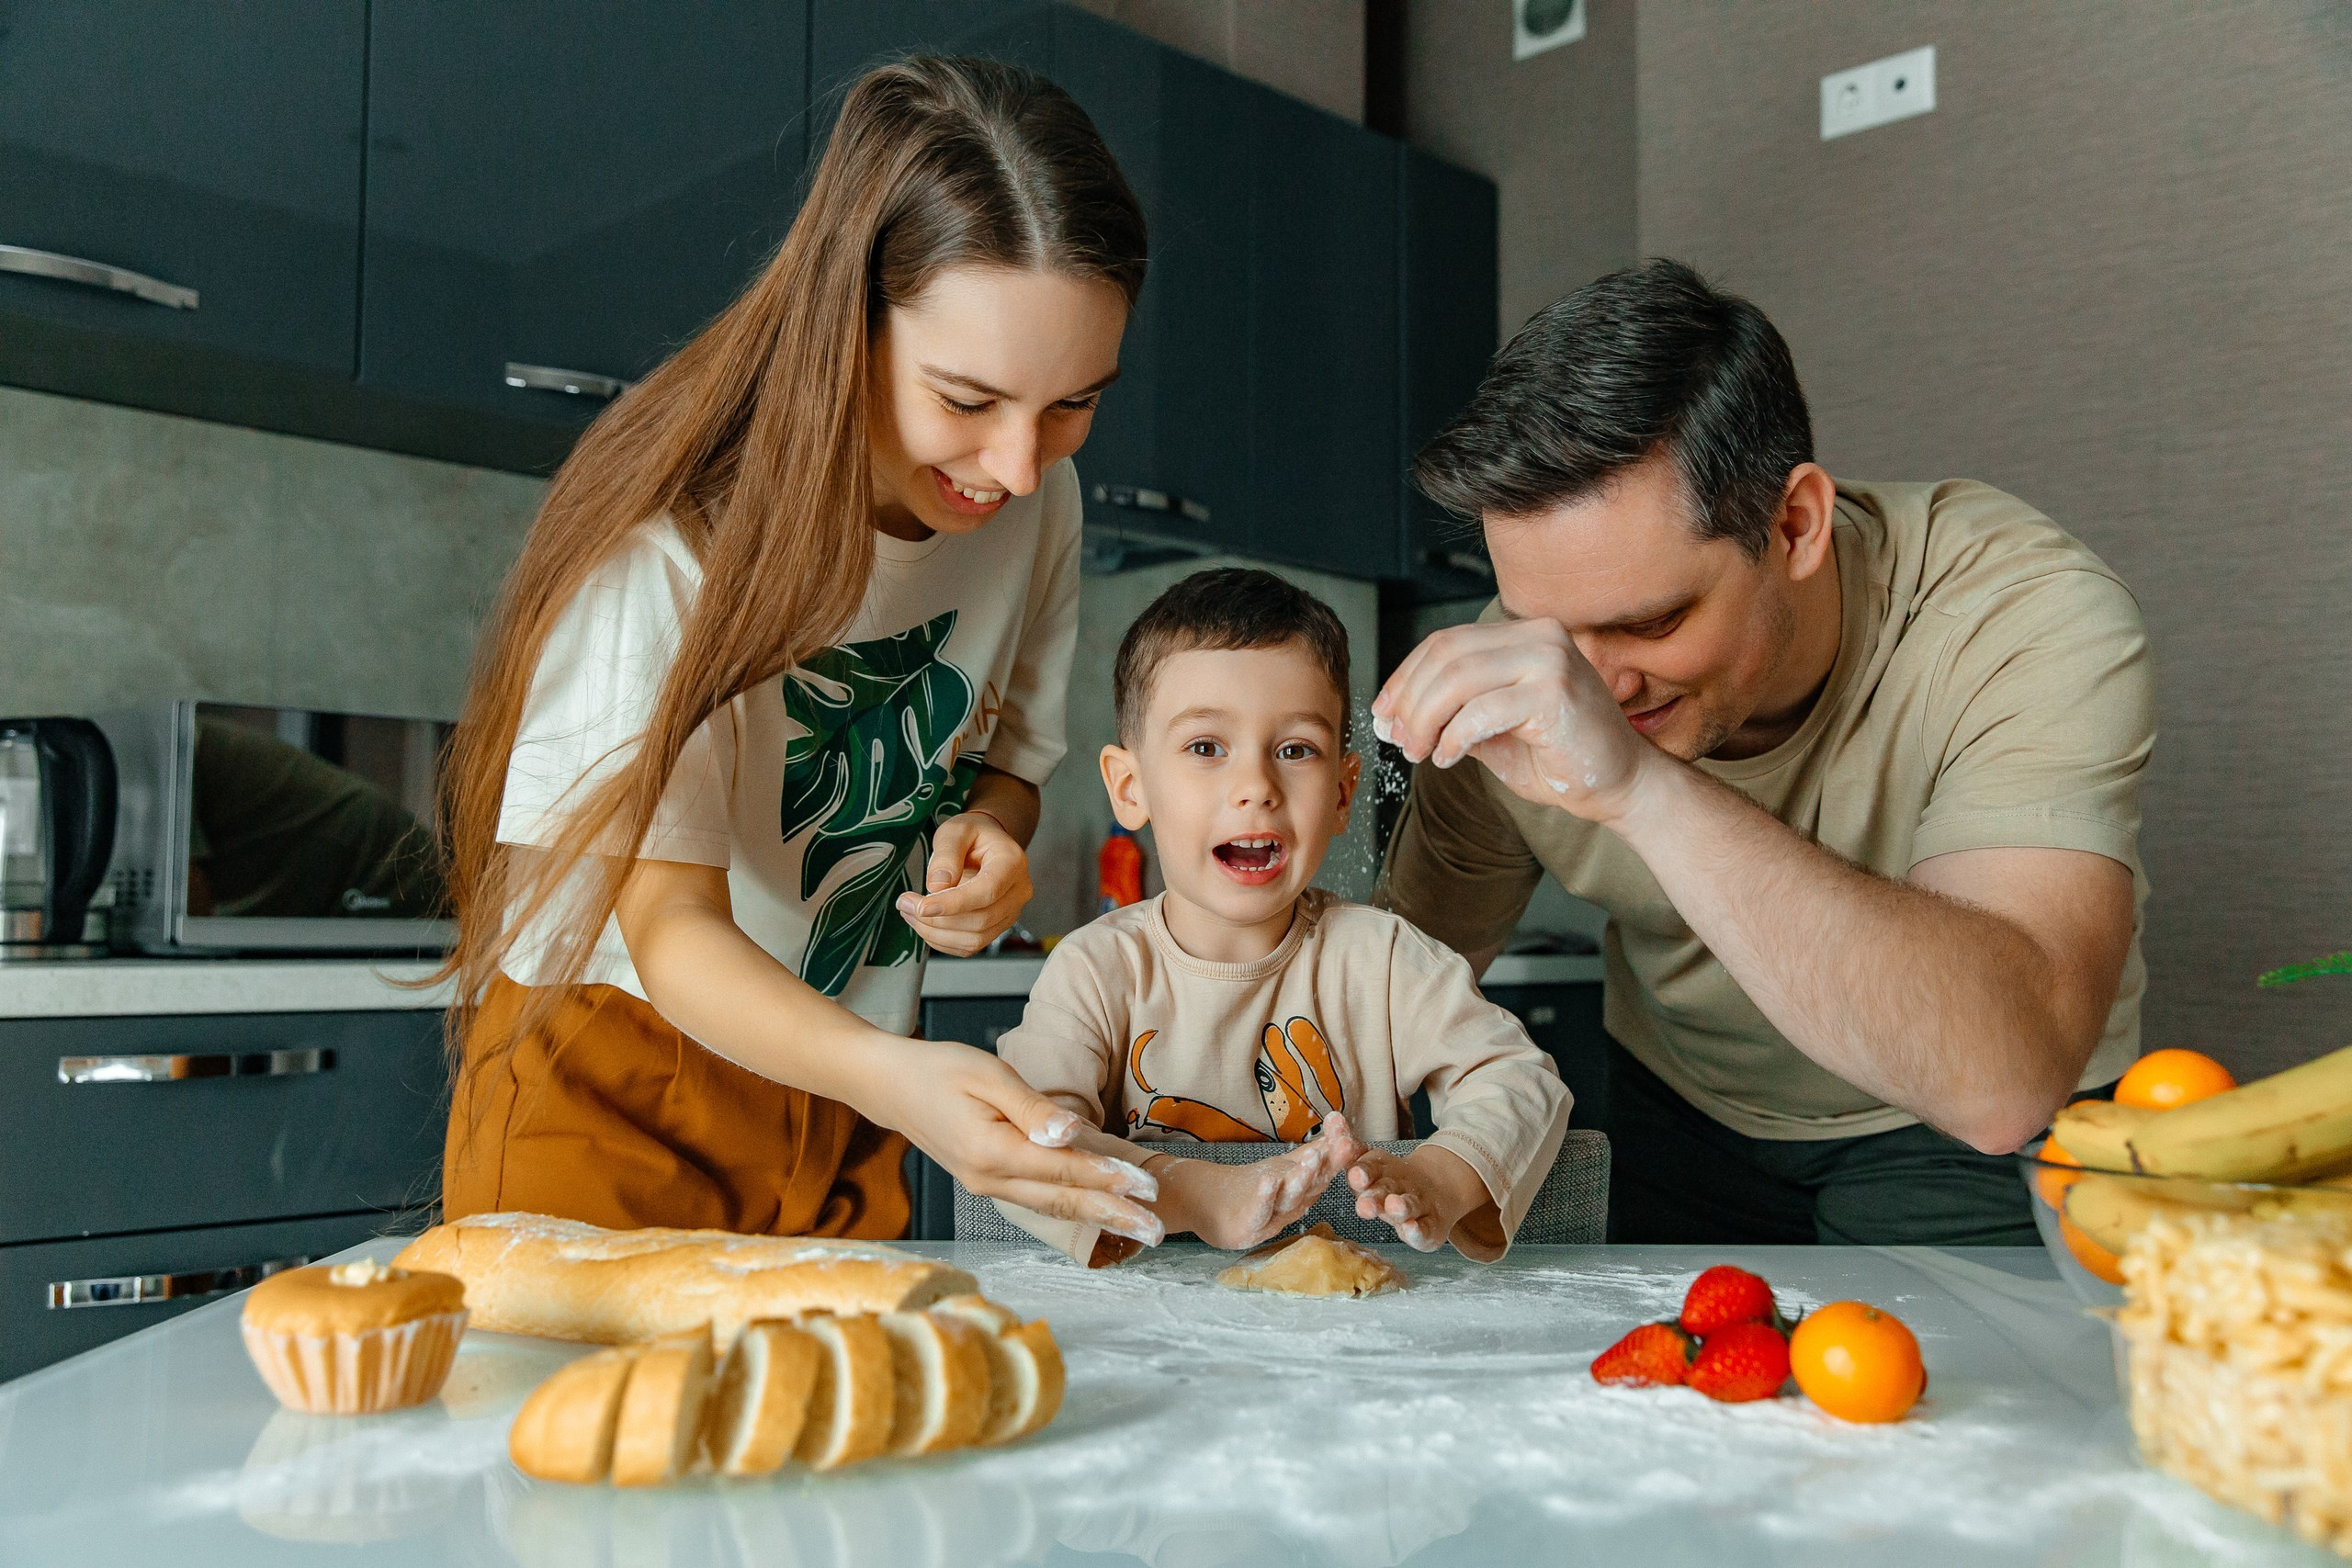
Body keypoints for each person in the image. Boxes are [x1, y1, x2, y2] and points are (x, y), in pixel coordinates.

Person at [433, 57, 1161, 1249]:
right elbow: (669, 927)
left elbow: (1006, 768)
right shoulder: (667, 549)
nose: (1020, 466)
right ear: (848, 322)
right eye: (966, 399)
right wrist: (895, 1077)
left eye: (1074, 403)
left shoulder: (1041, 504)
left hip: (846, 1085)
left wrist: (993, 836)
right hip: (617, 1079)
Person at [1375, 260, 2154, 1247]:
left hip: (1961, 1132)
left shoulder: (2022, 616)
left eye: (1652, 622)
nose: (1592, 689)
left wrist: (1638, 788)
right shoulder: (1514, 677)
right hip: (1679, 1109)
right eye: (1549, 630)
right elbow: (1388, 996)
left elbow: (1999, 1083)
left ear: (1795, 526)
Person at [993, 569, 1571, 1267]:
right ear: (1130, 786)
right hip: (1148, 1315)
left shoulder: (1382, 960)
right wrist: (1196, 1195)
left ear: (1342, 793)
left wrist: (1441, 1177)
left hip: (1351, 1318)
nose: (1256, 788)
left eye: (1295, 750)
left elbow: (1519, 1080)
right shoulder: (1095, 972)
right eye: (1206, 747)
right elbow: (1024, 1142)